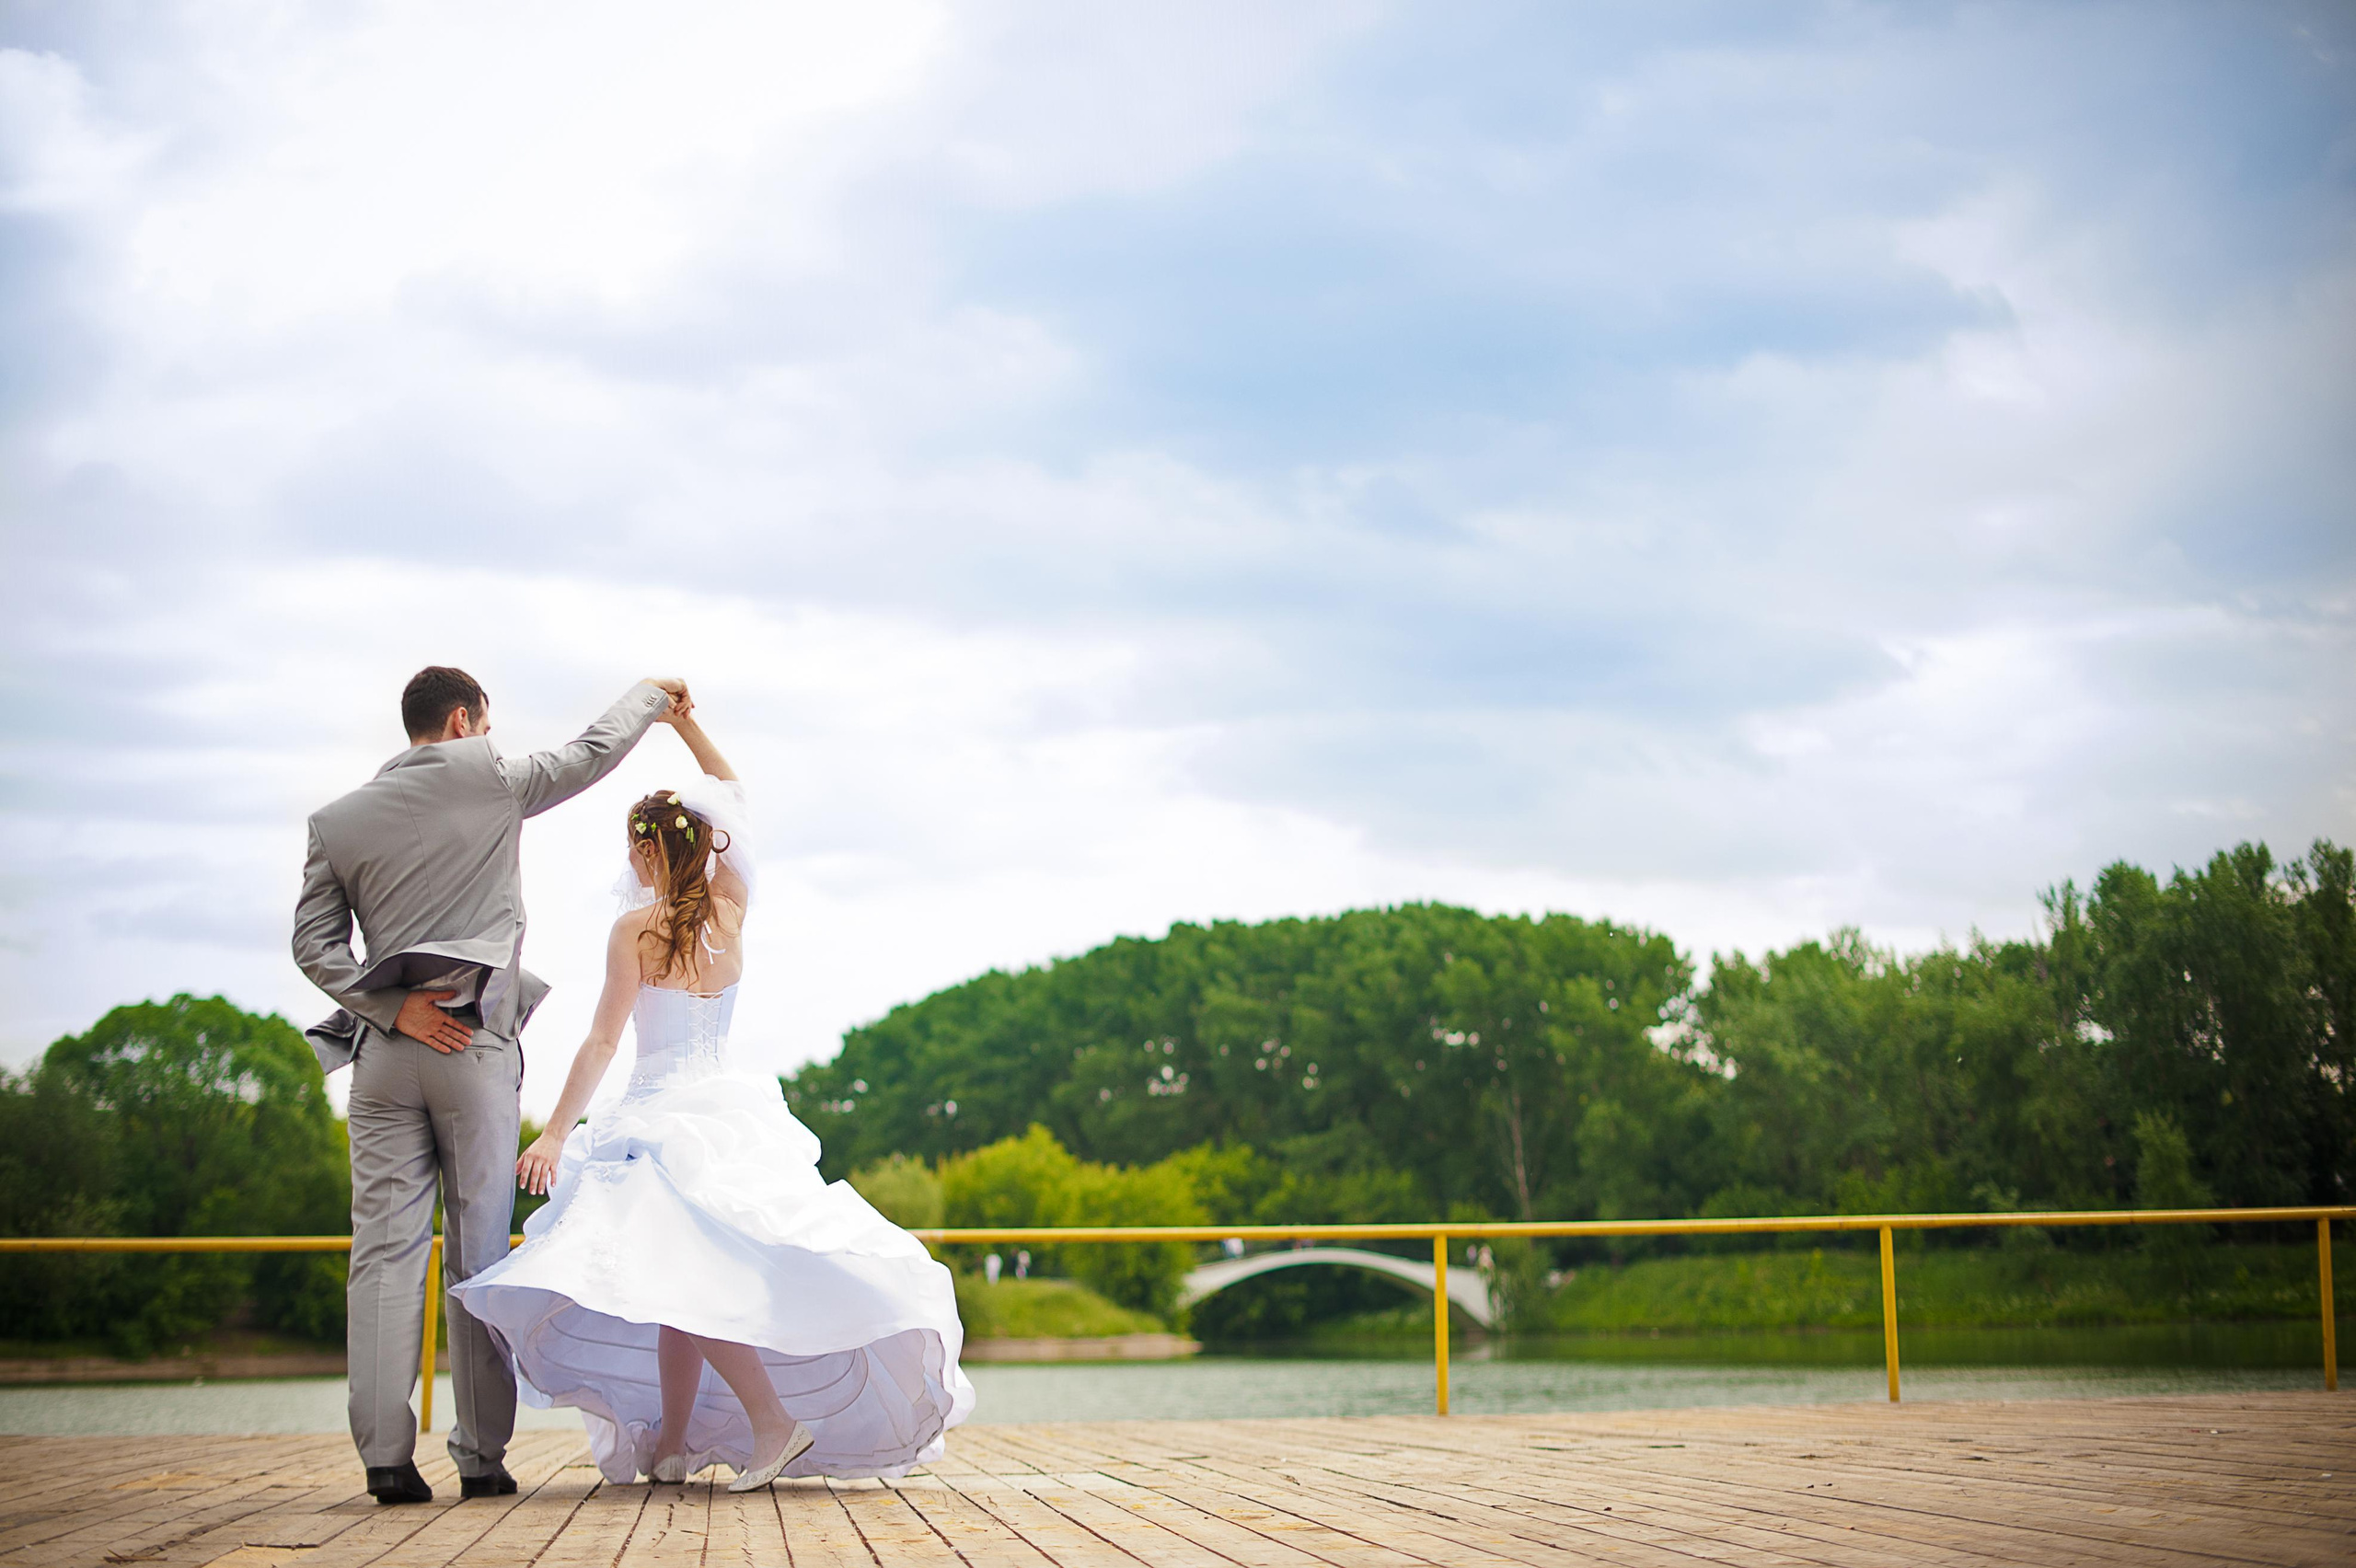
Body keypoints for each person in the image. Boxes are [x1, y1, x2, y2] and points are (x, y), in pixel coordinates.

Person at [452, 706, 973, 1490]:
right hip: (725, 1110)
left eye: (632, 848)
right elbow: (733, 793)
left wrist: (555, 1132)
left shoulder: (635, 930)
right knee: (675, 1276)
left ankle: (773, 1421)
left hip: (661, 1116)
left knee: (678, 1276)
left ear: (646, 849)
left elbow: (602, 1041)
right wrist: (685, 724)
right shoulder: (729, 912)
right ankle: (672, 1442)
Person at [293, 666, 690, 1505]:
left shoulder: (336, 821)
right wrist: (652, 696)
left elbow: (314, 947)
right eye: (484, 723)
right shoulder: (496, 779)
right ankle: (480, 1457)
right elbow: (594, 751)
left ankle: (385, 1461)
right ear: (464, 720)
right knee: (477, 1251)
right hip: (472, 1044)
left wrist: (393, 1008)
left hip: (383, 1054)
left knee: (383, 1255)